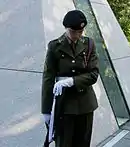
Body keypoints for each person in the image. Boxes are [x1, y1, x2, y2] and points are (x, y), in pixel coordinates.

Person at [41, 10, 99, 147]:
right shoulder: (55, 46)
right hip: (64, 106)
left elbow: (93, 74)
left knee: (83, 143)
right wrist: (46, 110)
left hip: (85, 104)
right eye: (74, 31)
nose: (77, 35)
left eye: (81, 31)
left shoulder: (89, 44)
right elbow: (48, 78)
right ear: (66, 28)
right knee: (63, 143)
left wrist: (72, 81)